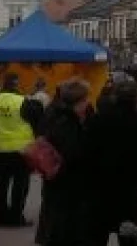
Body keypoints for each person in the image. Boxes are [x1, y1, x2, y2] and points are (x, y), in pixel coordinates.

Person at [84, 78, 137, 246]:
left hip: (100, 188)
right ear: (136, 97)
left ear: (114, 96)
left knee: (96, 236)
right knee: (129, 237)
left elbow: (87, 152)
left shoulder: (98, 120)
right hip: (128, 190)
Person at [36, 79, 92, 246]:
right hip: (68, 190)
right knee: (65, 232)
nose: (88, 102)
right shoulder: (69, 125)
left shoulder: (54, 114)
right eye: (85, 99)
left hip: (55, 186)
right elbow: (73, 156)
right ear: (78, 101)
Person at [0, 72, 40, 227]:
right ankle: (16, 217)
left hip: (0, 148)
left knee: (2, 184)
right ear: (16, 83)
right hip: (21, 149)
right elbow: (35, 120)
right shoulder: (21, 101)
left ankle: (1, 217)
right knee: (20, 185)